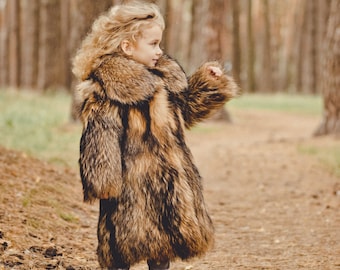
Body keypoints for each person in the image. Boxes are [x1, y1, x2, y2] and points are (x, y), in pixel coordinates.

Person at [72, 1, 239, 269]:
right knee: (122, 250)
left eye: (159, 44)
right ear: (127, 46)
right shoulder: (108, 89)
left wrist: (208, 83)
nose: (159, 51)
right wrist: (103, 183)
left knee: (163, 250)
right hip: (129, 190)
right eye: (153, 44)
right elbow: (98, 139)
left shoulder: (162, 78)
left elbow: (185, 112)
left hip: (168, 185)